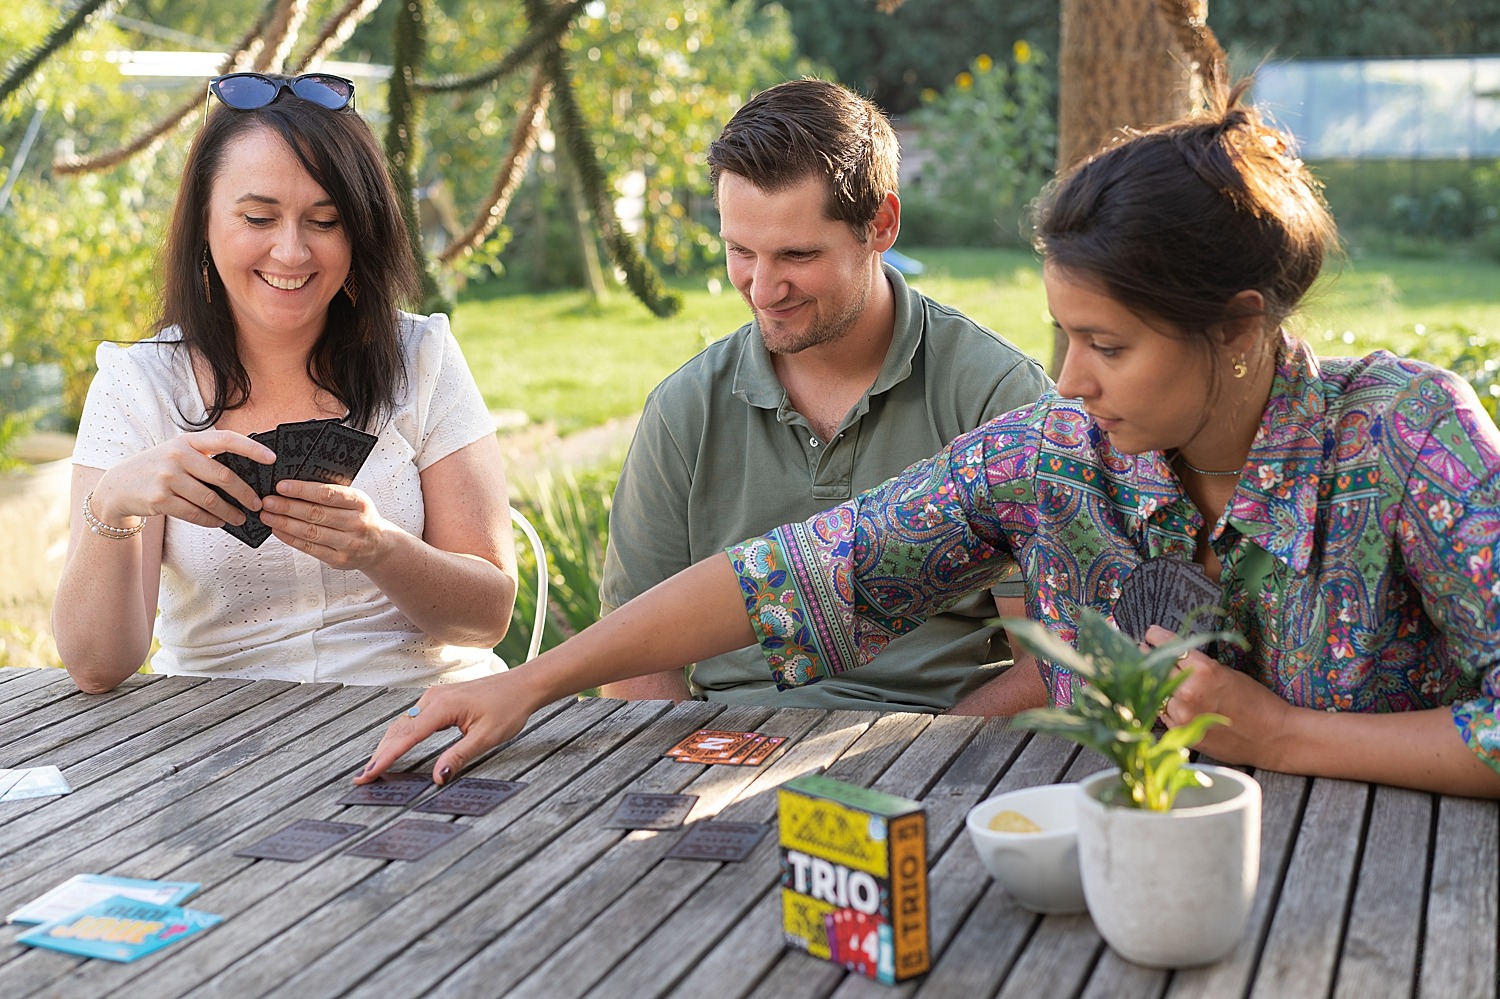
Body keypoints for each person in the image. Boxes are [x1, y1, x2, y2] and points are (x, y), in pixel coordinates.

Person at [362, 82, 1500, 798]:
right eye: (1062, 334)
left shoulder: (1407, 439)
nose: (1068, 381)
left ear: (1238, 327)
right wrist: (535, 684)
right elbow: (801, 574)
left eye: (1106, 344)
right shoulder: (1049, 456)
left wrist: (1284, 735)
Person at [599, 78, 1052, 714]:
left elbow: (1057, 666)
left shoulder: (998, 395)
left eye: (797, 254)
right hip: (725, 748)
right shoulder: (683, 411)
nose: (762, 289)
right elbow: (632, 658)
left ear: (882, 224)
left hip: (944, 748)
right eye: (740, 251)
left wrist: (913, 760)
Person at [54, 72, 517, 691]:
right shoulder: (137, 383)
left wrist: (381, 549)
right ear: (205, 221)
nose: (292, 252)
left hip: (423, 716)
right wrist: (112, 503)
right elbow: (96, 667)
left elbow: (488, 616)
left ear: (360, 230)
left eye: (324, 221)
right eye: (258, 217)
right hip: (219, 732)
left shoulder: (420, 354)